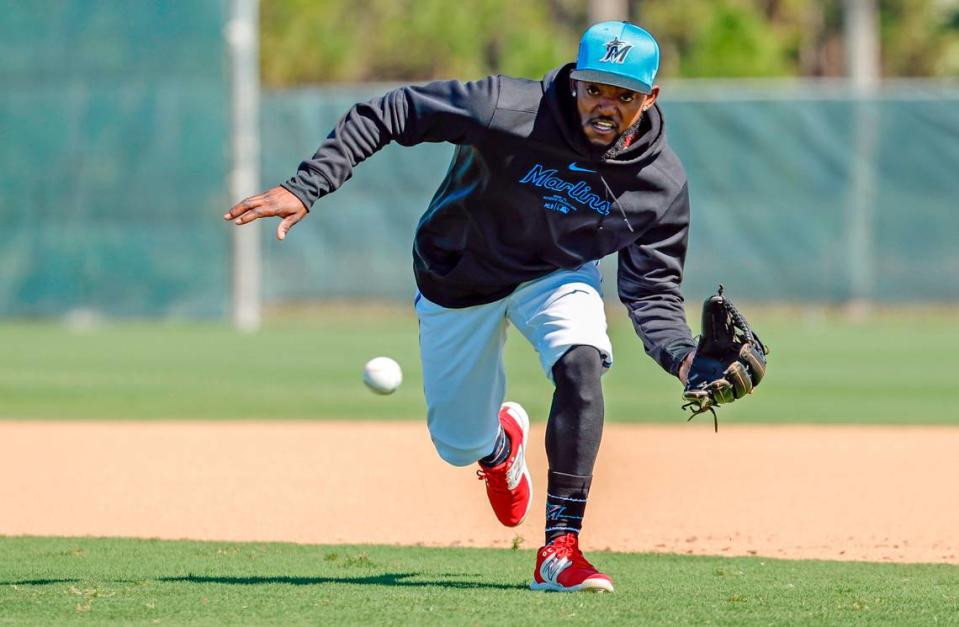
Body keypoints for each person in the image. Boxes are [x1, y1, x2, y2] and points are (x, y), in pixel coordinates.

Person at [225, 21, 697, 593]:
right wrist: (307, 185)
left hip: (556, 273)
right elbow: (392, 111)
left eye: (625, 96)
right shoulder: (509, 107)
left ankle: (560, 549)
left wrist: (684, 358)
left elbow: (652, 291)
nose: (606, 105)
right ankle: (499, 448)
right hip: (458, 275)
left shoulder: (658, 185)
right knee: (458, 444)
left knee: (582, 364)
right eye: (595, 88)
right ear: (575, 81)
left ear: (650, 99)